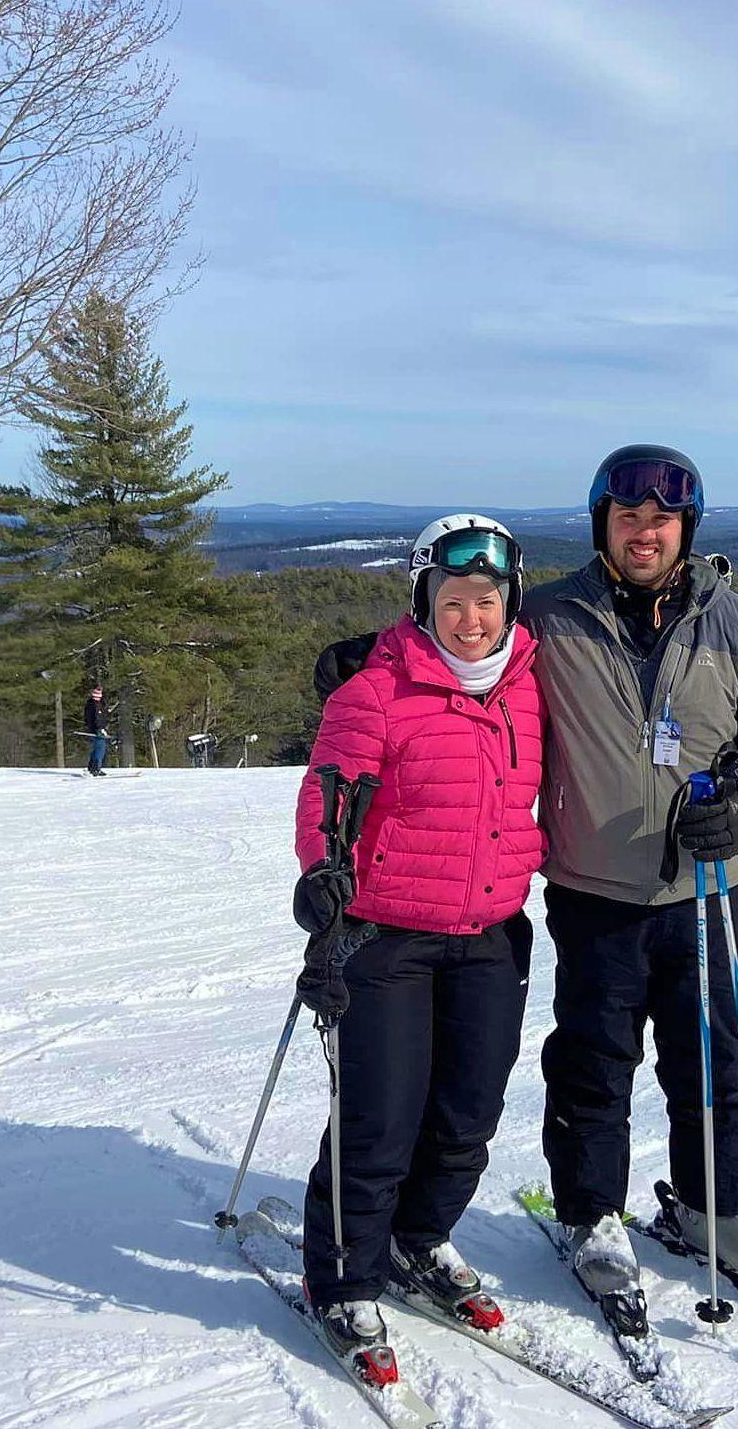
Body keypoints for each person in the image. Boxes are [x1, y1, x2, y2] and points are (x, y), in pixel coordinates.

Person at [519, 445, 738, 1309]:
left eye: (661, 519)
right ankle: (591, 1213)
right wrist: (375, 664)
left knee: (716, 1059)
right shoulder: (547, 618)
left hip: (709, 890)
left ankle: (714, 1208)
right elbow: (457, 651)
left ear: (686, 527)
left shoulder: (735, 623)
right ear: (601, 524)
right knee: (593, 1060)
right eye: (627, 517)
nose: (644, 533)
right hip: (594, 891)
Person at [292, 513, 545, 1364]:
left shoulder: (534, 683)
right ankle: (342, 1278)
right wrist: (322, 873)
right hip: (387, 937)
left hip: (491, 934)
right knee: (378, 1119)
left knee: (467, 1115)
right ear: (422, 601)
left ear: (510, 601)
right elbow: (326, 795)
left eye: (487, 599)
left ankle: (419, 1235)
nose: (471, 617)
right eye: (452, 599)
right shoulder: (372, 690)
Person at [83, 685, 109, 775]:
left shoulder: (101, 704)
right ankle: (95, 768)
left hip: (101, 729)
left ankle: (92, 767)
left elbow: (104, 717)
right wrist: (97, 728)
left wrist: (104, 727)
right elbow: (91, 719)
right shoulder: (91, 705)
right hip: (95, 730)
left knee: (98, 749)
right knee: (100, 749)